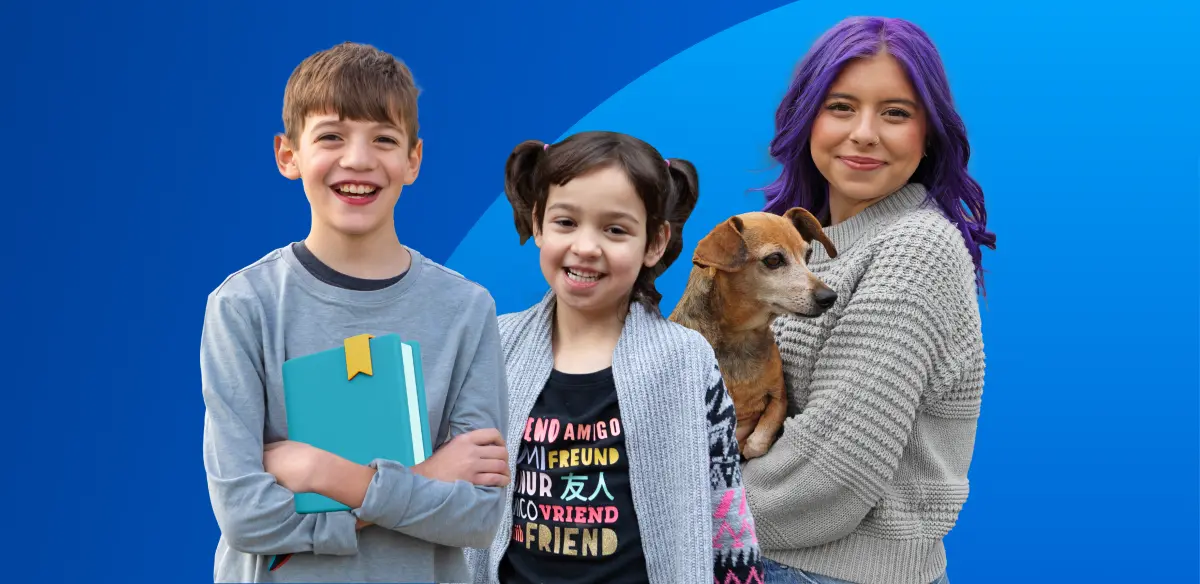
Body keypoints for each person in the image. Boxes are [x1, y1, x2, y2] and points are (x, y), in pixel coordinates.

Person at [199, 41, 510, 583]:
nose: (358, 160)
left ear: (413, 160)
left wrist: (326, 473)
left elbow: (479, 517)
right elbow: (246, 517)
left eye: (384, 140)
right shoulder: (242, 308)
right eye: (331, 137)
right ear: (287, 155)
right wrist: (425, 477)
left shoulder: (467, 311)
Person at [740, 16, 995, 584]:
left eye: (896, 113)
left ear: (928, 133)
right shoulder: (802, 245)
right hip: (764, 559)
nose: (864, 133)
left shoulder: (915, 248)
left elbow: (831, 475)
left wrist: (676, 511)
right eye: (841, 107)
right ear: (808, 118)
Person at [464, 131, 763, 583]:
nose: (586, 247)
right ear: (539, 222)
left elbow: (725, 503)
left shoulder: (683, 361)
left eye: (615, 229)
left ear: (655, 243)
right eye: (566, 222)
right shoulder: (496, 345)